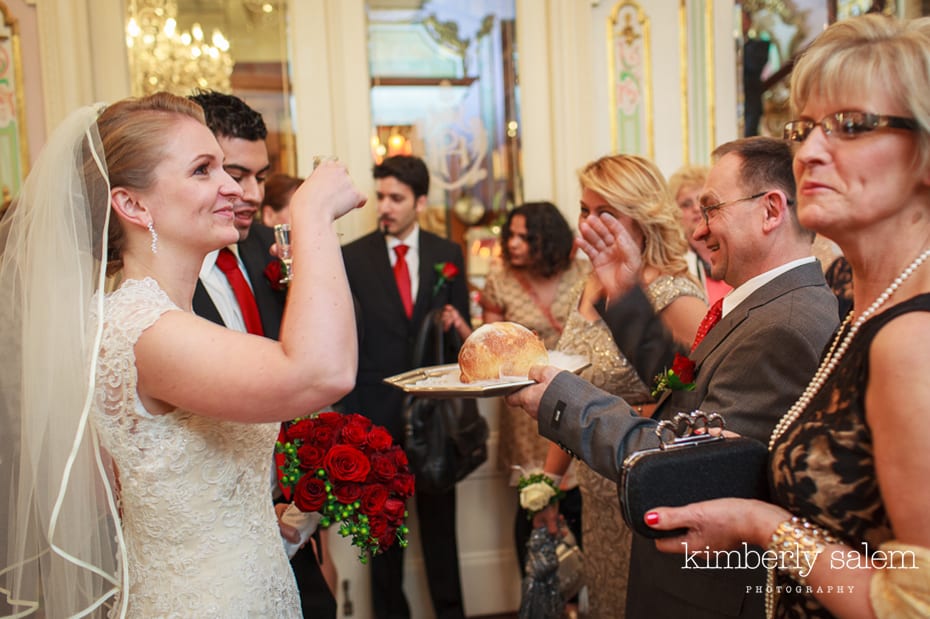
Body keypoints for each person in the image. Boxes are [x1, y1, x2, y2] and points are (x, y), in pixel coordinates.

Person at [0, 92, 366, 617]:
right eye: (202, 169)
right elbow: (323, 373)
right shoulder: (144, 329)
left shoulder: (155, 319)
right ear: (133, 205)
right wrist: (311, 215)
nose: (232, 187)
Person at [643, 15, 930, 618]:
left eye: (850, 125)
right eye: (804, 129)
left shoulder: (913, 339)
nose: (809, 152)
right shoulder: (856, 292)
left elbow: (910, 604)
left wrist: (759, 523)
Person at [507, 136, 839, 618]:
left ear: (770, 211)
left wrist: (563, 400)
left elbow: (689, 469)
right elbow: (685, 395)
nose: (698, 231)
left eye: (711, 209)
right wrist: (624, 293)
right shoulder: (768, 304)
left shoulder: (783, 326)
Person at [188, 90, 338, 618]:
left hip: (290, 523)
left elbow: (321, 364)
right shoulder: (155, 286)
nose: (251, 194)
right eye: (234, 174)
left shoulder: (263, 248)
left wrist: (303, 508)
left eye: (260, 176)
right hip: (209, 543)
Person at [538, 154, 706, 617]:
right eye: (584, 210)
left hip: (646, 491)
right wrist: (549, 479)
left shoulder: (674, 294)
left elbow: (696, 400)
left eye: (605, 212)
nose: (589, 223)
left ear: (642, 215)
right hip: (595, 492)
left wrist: (640, 412)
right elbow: (572, 388)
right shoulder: (590, 286)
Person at [340, 154, 470, 619]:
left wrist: (456, 324)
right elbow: (345, 339)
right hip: (374, 419)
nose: (385, 207)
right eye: (381, 197)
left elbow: (462, 343)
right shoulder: (352, 257)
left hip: (434, 418)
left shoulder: (447, 254)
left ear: (420, 201)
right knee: (382, 542)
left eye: (396, 198)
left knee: (441, 535)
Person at [473, 201, 590, 576]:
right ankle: (538, 591)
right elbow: (489, 346)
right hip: (526, 410)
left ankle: (580, 594)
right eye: (511, 235)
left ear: (549, 238)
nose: (514, 243)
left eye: (526, 237)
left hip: (576, 397)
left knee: (580, 506)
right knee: (533, 504)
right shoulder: (501, 280)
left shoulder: (583, 273)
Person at [668, 164, 732, 305]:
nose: (696, 208)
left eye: (701, 200)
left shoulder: (735, 247)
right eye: (686, 204)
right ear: (675, 213)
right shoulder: (674, 264)